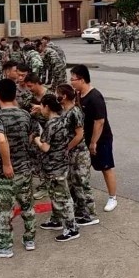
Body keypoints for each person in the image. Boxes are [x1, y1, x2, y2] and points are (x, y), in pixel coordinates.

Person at [0, 79, 40, 258]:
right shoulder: (25, 114)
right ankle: (30, 239)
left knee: (3, 210)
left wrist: (7, 163)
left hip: (6, 173)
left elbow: (1, 139)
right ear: (15, 95)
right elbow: (33, 134)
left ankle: (3, 246)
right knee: (27, 206)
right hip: (24, 169)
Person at [69, 64, 117, 213]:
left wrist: (93, 142)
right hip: (86, 138)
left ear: (82, 79)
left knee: (105, 167)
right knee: (81, 167)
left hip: (100, 139)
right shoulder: (78, 95)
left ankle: (113, 197)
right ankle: (79, 196)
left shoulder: (95, 97)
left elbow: (100, 122)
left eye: (73, 79)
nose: (71, 82)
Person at [34, 94, 82, 242]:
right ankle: (56, 219)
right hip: (61, 163)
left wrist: (36, 139)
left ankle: (71, 228)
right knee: (55, 195)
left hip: (54, 166)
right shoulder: (63, 120)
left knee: (63, 197)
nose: (41, 109)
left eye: (42, 106)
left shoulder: (51, 124)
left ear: (47, 107)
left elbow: (45, 147)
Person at [55, 84, 97, 229]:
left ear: (64, 96)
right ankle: (80, 211)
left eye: (58, 94)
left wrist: (67, 148)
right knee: (73, 184)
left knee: (82, 183)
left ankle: (90, 214)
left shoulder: (75, 112)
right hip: (71, 154)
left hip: (79, 154)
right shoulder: (64, 110)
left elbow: (79, 135)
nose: (56, 96)